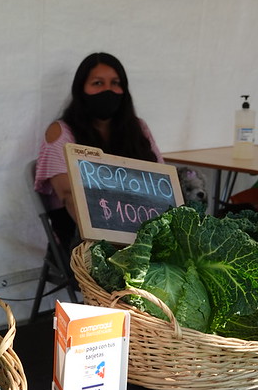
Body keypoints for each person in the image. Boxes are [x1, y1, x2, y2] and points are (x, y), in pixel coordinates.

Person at [34, 52, 164, 246]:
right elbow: (68, 195)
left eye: (115, 83)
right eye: (97, 83)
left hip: (140, 228)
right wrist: (115, 242)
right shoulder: (60, 132)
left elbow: (161, 182)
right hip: (84, 236)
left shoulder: (138, 128)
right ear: (81, 89)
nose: (108, 90)